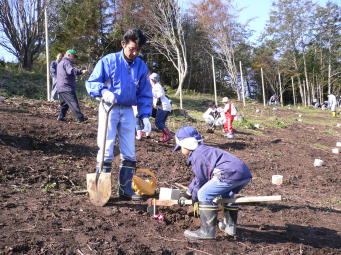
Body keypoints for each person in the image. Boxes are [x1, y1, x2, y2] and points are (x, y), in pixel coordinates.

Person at [85, 29, 152, 201]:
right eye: (132, 49)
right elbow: (92, 82)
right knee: (106, 145)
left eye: (138, 50)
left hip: (129, 109)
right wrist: (103, 92)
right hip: (110, 107)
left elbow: (145, 92)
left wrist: (144, 115)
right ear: (123, 44)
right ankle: (102, 189)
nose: (135, 53)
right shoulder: (109, 61)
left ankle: (125, 190)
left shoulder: (141, 66)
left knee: (129, 149)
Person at [174, 126, 252, 240]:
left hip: (228, 174)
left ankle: (207, 232)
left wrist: (194, 196)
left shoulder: (198, 155)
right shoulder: (205, 150)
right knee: (227, 195)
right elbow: (200, 178)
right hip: (243, 173)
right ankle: (229, 227)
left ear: (187, 143)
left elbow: (201, 179)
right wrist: (189, 191)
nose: (181, 150)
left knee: (203, 194)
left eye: (181, 146)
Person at [56, 49, 88, 122]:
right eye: (74, 56)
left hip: (60, 87)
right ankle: (80, 118)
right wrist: (81, 71)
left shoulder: (60, 63)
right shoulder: (67, 62)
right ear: (69, 55)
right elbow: (71, 71)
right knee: (73, 103)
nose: (74, 58)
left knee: (64, 104)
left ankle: (61, 116)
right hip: (67, 87)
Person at [150, 72, 172, 142]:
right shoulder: (155, 86)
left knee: (158, 122)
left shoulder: (157, 86)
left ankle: (168, 135)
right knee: (161, 122)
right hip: (163, 106)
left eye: (150, 79)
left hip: (163, 106)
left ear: (153, 80)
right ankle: (166, 137)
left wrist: (151, 93)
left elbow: (160, 95)